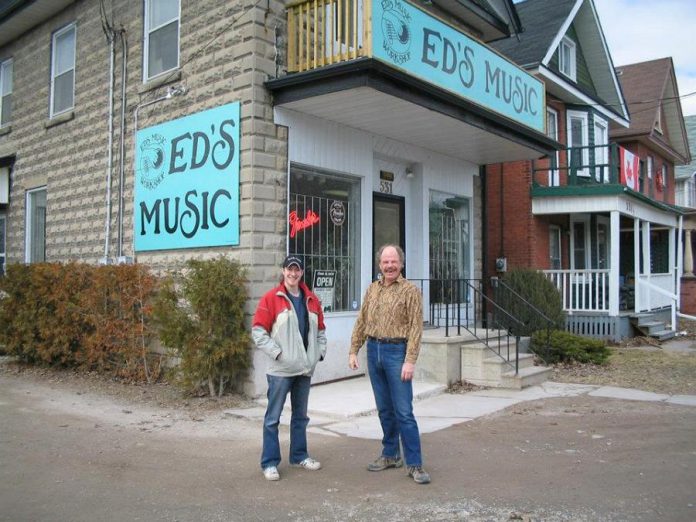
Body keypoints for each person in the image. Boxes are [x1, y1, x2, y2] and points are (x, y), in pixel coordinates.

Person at [349, 244, 431, 485]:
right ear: (379, 264)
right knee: (384, 409)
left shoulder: (411, 291)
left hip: (397, 352)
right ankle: (390, 454)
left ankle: (415, 464)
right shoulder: (372, 290)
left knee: (404, 411)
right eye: (385, 262)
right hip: (374, 351)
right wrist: (354, 349)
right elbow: (361, 321)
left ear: (401, 264)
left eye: (393, 261)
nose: (389, 266)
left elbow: (416, 328)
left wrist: (410, 360)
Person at [252, 254, 327, 481]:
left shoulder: (312, 299)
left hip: (304, 370)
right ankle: (269, 463)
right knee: (273, 418)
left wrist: (318, 353)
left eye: (297, 270)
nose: (293, 273)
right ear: (283, 271)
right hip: (280, 371)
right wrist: (278, 353)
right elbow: (257, 332)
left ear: (301, 272)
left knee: (300, 417)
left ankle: (299, 456)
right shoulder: (271, 299)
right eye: (289, 269)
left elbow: (321, 331)